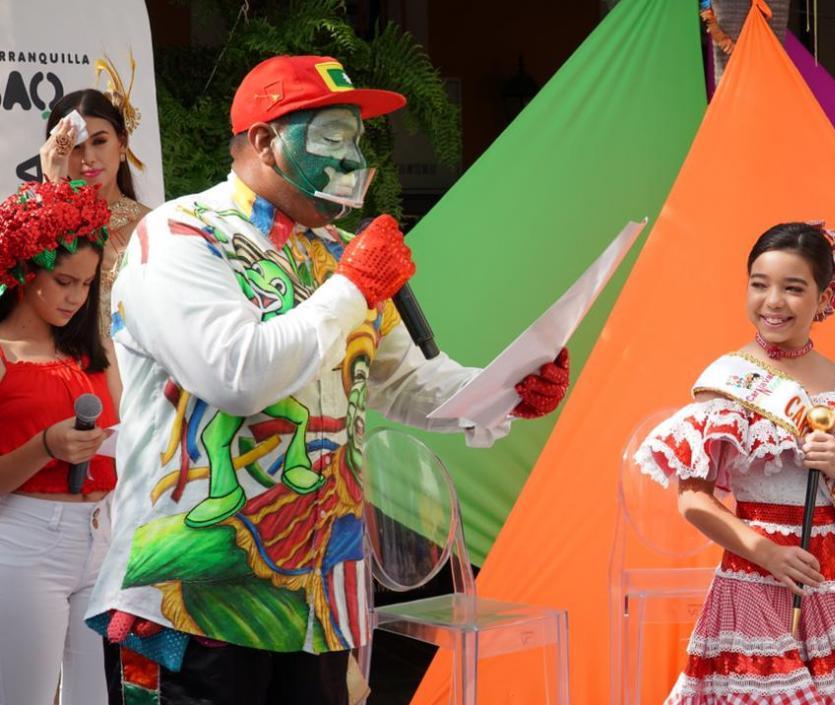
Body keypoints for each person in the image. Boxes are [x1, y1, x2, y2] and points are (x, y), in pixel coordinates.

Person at [84, 55, 570, 705]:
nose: (351, 157)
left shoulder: (339, 254)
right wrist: (350, 289)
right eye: (330, 136)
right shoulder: (178, 237)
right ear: (263, 141)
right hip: (188, 603)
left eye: (357, 139)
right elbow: (236, 375)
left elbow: (407, 381)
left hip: (317, 601)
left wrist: (510, 383)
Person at [635, 221, 835, 703]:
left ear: (825, 298)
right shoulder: (726, 379)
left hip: (828, 582)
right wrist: (767, 552)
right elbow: (693, 501)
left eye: (793, 288)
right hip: (754, 574)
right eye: (759, 285)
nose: (773, 302)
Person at [0, 180, 117, 705]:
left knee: (99, 697)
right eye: (64, 280)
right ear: (25, 270)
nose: (76, 296)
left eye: (87, 284)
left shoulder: (93, 353)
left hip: (103, 540)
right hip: (23, 541)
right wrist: (44, 446)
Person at [40, 88, 152, 403]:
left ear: (122, 143)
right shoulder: (37, 223)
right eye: (74, 147)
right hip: (56, 385)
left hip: (136, 392)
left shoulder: (153, 227)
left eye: (99, 141)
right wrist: (55, 191)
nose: (88, 158)